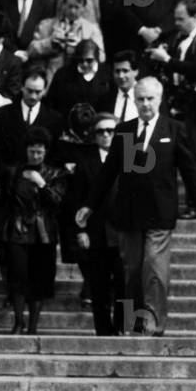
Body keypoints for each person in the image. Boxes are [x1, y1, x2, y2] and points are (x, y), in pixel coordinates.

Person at [76, 76, 196, 336]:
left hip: (160, 214)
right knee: (132, 271)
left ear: (159, 100)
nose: (145, 104)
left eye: (150, 98)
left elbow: (190, 168)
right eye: (140, 99)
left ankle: (153, 325)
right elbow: (108, 172)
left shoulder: (173, 129)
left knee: (154, 267)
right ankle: (133, 323)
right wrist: (89, 205)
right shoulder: (125, 132)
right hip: (129, 214)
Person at [146, 0, 196, 214]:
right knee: (183, 153)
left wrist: (167, 59)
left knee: (192, 155)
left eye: (181, 18)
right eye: (175, 18)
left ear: (195, 16)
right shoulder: (178, 37)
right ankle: (192, 203)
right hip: (177, 102)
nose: (176, 23)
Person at [2, 126, 68, 334]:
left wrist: (42, 184)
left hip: (43, 230)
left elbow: (58, 201)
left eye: (40, 151)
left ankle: (33, 325)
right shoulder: (14, 171)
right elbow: (6, 199)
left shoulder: (55, 173)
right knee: (18, 275)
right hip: (18, 228)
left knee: (40, 279)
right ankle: (19, 320)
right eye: (32, 151)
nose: (36, 155)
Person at [69, 112, 124, 335]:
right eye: (101, 131)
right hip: (96, 231)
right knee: (98, 284)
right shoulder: (86, 162)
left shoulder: (128, 157)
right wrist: (80, 229)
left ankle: (123, 327)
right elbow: (76, 198)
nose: (106, 135)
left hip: (123, 232)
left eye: (111, 131)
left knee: (124, 284)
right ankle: (103, 330)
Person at [0, 66, 63, 182]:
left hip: (41, 183)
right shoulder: (2, 114)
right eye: (29, 91)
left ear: (44, 91)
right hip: (6, 181)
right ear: (22, 87)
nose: (33, 96)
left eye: (38, 92)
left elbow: (55, 154)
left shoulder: (55, 119)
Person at [28, 0, 105, 84]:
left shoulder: (92, 29)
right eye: (70, 6)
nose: (72, 11)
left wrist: (82, 46)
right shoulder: (46, 25)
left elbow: (101, 57)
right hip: (50, 80)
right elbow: (31, 51)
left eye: (76, 7)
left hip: (80, 82)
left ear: (83, 7)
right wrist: (50, 42)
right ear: (63, 5)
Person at [46, 39, 111, 118]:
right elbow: (52, 103)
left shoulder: (107, 74)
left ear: (97, 58)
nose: (84, 64)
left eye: (89, 60)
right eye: (80, 60)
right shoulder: (63, 74)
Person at [101, 50, 140, 123]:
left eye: (125, 71)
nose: (121, 76)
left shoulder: (148, 95)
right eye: (117, 71)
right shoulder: (105, 100)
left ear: (136, 72)